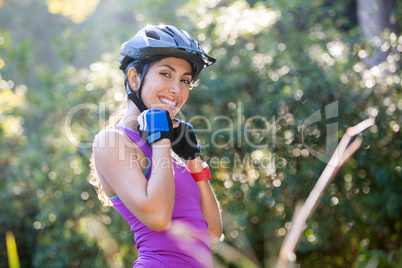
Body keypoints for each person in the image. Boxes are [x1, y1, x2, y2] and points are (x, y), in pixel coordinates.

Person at [90, 24, 223, 267]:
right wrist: (161, 139)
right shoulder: (112, 141)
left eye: (185, 80)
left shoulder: (165, 150)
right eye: (165, 74)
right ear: (134, 78)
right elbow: (158, 217)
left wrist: (192, 159)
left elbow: (213, 232)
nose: (177, 89)